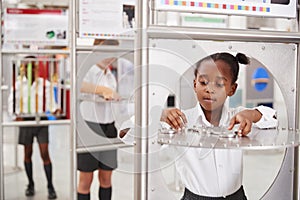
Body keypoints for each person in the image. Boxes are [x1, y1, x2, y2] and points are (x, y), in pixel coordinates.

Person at [120, 52, 278, 199]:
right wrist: (157, 115)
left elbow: (272, 118)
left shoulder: (239, 118)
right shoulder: (179, 121)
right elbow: (126, 134)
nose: (209, 89)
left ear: (232, 89)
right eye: (203, 82)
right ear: (195, 84)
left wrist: (252, 114)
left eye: (219, 84)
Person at [8, 56, 58, 199]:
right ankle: (30, 184)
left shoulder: (44, 84)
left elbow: (51, 104)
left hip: (40, 120)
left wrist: (55, 110)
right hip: (26, 120)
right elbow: (13, 103)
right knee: (27, 153)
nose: (30, 69)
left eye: (33, 66)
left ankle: (50, 186)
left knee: (44, 153)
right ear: (22, 69)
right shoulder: (18, 85)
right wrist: (15, 115)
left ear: (37, 68)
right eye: (26, 66)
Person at [77, 57, 121, 200]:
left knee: (106, 178)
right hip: (90, 128)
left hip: (109, 128)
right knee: (86, 180)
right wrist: (102, 90)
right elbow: (79, 85)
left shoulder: (110, 75)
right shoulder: (87, 70)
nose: (111, 57)